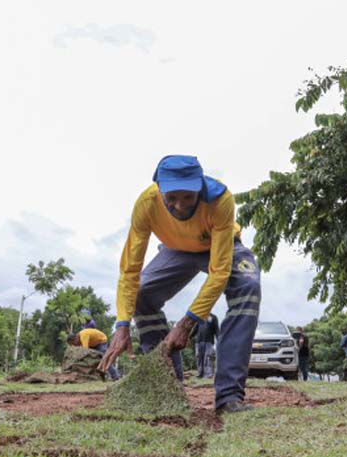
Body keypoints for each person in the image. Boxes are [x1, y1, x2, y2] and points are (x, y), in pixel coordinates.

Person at [97, 155, 261, 414]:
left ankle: (229, 396)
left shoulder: (220, 200)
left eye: (188, 197)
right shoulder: (147, 203)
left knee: (248, 288)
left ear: (200, 188)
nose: (180, 206)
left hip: (222, 245)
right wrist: (122, 325)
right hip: (176, 249)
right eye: (171, 198)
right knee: (141, 293)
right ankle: (166, 385)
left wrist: (187, 324)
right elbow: (130, 270)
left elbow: (219, 272)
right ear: (159, 190)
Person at [193, 314, 219, 379]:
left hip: (209, 342)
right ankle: (200, 374)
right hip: (198, 341)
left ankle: (208, 375)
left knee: (208, 358)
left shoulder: (213, 317)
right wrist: (188, 337)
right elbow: (195, 329)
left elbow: (217, 330)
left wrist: (219, 340)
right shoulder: (199, 316)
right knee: (199, 357)